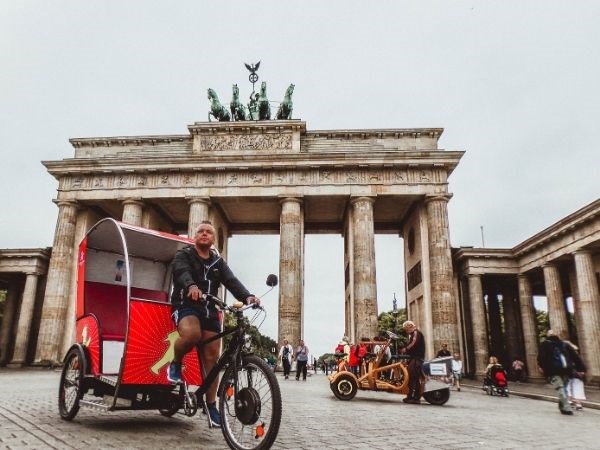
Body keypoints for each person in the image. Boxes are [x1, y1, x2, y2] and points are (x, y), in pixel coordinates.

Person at [168, 220, 259, 427]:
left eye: (209, 232)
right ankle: (176, 362)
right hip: (186, 306)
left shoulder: (218, 262)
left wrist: (248, 297)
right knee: (192, 334)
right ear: (194, 235)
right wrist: (191, 285)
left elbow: (232, 281)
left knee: (212, 359)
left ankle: (210, 405)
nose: (205, 234)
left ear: (213, 238)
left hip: (210, 310)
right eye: (201, 231)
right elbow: (181, 271)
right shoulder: (184, 255)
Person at [537, 329, 574, 415]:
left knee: (562, 388)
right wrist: (581, 368)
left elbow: (541, 358)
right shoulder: (562, 344)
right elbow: (574, 356)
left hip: (559, 370)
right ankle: (567, 407)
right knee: (562, 388)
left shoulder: (547, 344)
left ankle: (563, 406)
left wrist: (541, 367)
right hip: (561, 370)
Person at [400, 320, 425, 404]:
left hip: (416, 359)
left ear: (410, 326)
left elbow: (413, 344)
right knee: (412, 377)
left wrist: (405, 349)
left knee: (413, 377)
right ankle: (411, 396)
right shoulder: (413, 334)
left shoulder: (415, 333)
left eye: (406, 329)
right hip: (414, 358)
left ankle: (415, 397)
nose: (406, 331)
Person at [564, 340, 587, 411]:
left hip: (566, 372)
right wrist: (583, 370)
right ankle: (578, 404)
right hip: (576, 372)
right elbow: (579, 361)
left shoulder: (561, 353)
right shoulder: (575, 352)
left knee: (567, 386)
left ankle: (569, 401)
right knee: (577, 386)